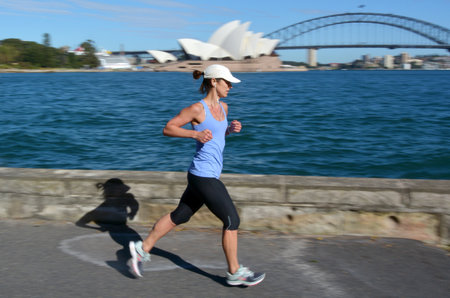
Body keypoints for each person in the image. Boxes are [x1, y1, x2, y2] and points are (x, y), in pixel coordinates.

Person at [129, 64, 265, 286]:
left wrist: (229, 130)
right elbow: (169, 128)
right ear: (214, 82)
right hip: (203, 176)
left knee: (180, 216)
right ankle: (235, 273)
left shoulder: (225, 108)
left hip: (206, 174)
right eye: (227, 82)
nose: (230, 86)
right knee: (232, 219)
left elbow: (216, 136)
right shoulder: (197, 109)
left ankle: (141, 249)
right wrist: (195, 134)